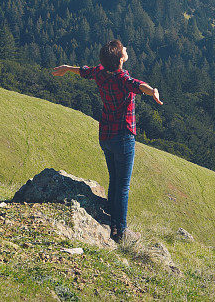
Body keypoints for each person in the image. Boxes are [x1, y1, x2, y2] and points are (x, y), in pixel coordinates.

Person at [52, 39, 162, 243]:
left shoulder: (101, 73)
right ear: (121, 60)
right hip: (123, 137)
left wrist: (67, 68)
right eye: (124, 50)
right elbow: (139, 86)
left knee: (114, 177)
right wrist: (153, 91)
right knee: (123, 186)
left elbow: (85, 71)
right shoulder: (122, 78)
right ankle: (119, 231)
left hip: (106, 135)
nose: (127, 49)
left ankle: (110, 212)